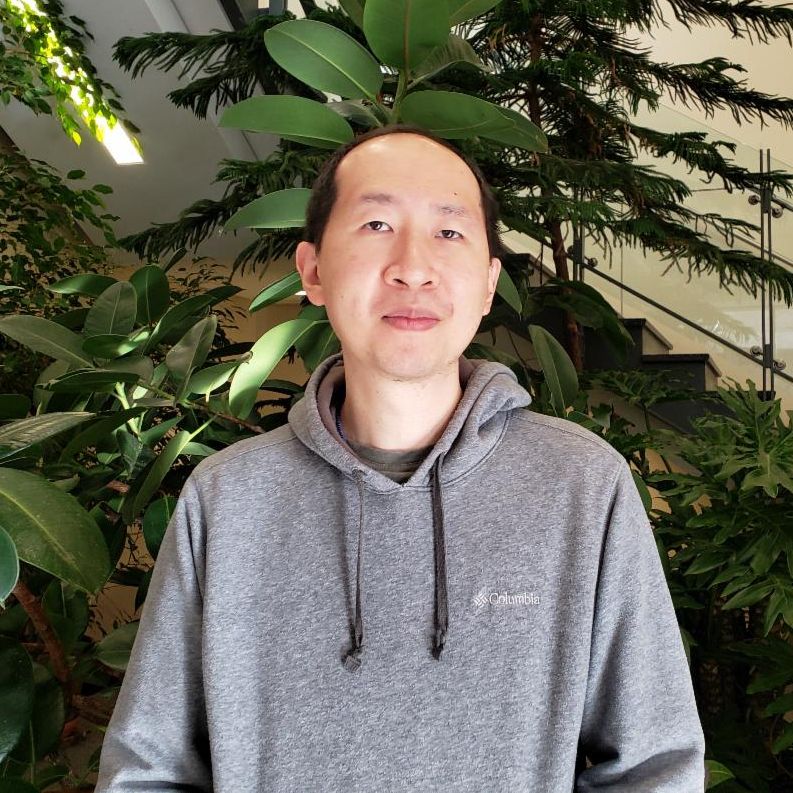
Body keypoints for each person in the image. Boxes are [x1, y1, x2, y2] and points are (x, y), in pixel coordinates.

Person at [94, 123, 707, 792]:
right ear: (313, 271)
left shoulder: (581, 485)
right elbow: (148, 771)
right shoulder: (227, 498)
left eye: (449, 232)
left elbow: (654, 768)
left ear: (488, 284)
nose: (412, 267)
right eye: (377, 224)